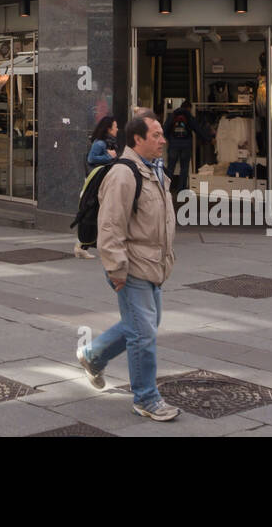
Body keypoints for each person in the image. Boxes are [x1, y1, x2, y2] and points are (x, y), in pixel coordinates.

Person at [76, 114, 180, 422]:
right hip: (132, 265)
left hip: (153, 264)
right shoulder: (123, 174)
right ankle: (146, 398)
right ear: (138, 139)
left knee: (143, 324)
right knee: (144, 333)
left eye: (162, 134)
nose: (163, 140)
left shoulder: (153, 170)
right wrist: (116, 269)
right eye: (156, 135)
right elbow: (110, 226)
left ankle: (92, 356)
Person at [75, 115, 121, 259]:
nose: (117, 129)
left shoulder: (108, 142)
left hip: (103, 181)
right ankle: (82, 245)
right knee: (96, 214)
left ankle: (83, 246)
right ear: (109, 129)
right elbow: (91, 159)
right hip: (96, 184)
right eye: (115, 127)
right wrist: (110, 157)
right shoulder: (100, 143)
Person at [165, 100, 212, 194]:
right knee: (184, 168)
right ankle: (181, 189)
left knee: (170, 168)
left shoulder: (173, 116)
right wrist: (209, 139)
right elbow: (198, 130)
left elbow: (165, 129)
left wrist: (170, 139)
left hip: (174, 145)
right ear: (189, 108)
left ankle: (166, 188)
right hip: (186, 145)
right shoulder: (189, 116)